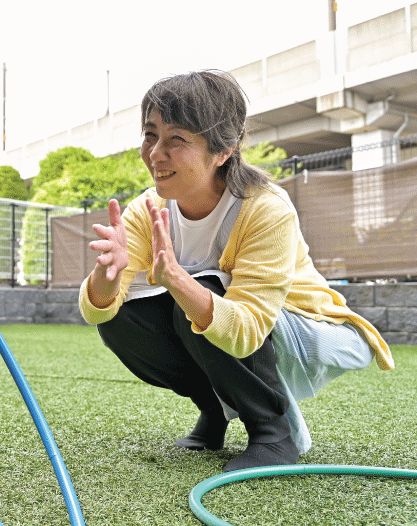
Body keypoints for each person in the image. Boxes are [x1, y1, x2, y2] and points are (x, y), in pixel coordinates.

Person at [78, 70, 394, 472]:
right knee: (124, 317)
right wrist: (106, 278)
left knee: (200, 292)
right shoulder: (149, 209)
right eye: (150, 135)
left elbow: (247, 330)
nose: (156, 153)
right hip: (236, 332)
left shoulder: (265, 208)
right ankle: (214, 409)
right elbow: (98, 312)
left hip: (309, 331)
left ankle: (273, 433)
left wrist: (177, 280)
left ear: (223, 151)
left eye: (176, 140)